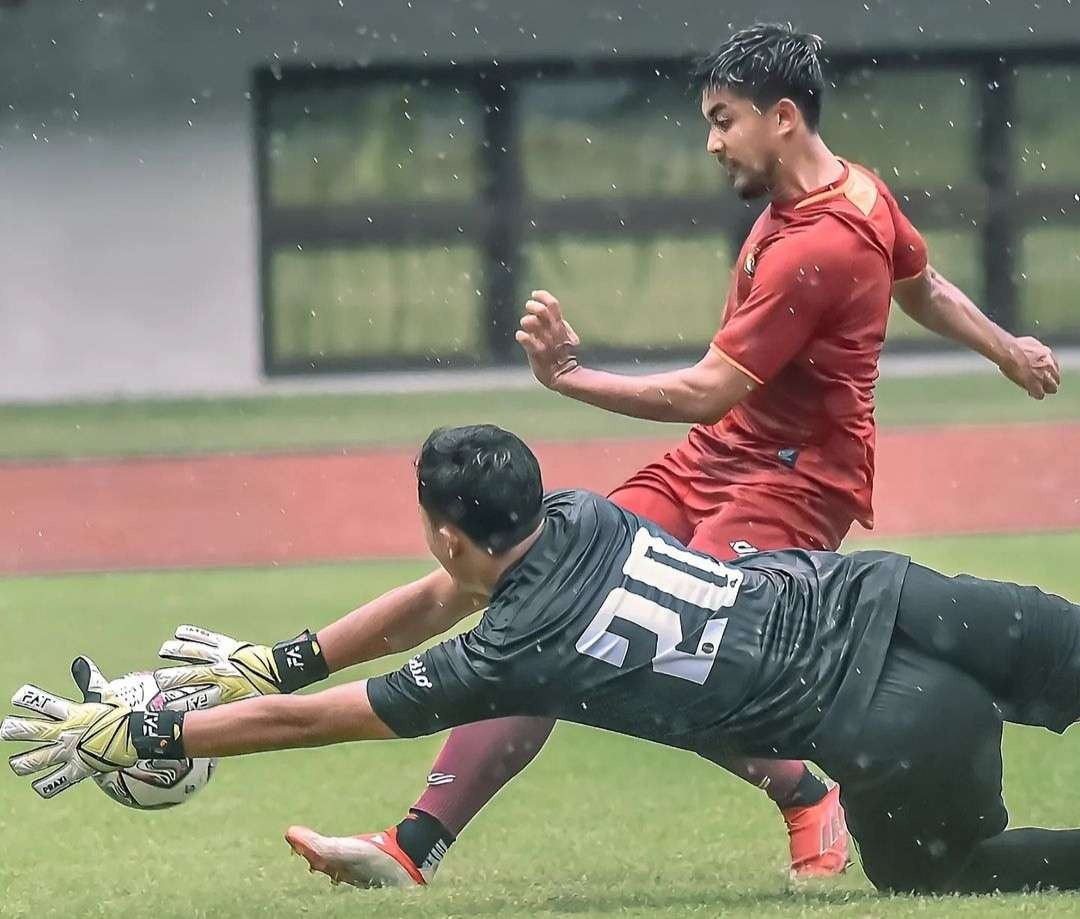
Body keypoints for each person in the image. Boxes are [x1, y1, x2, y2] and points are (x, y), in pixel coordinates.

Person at [316, 22, 1062, 885]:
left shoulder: (821, 245)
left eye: (724, 120)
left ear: (783, 117)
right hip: (712, 461)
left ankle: (803, 794)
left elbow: (708, 388)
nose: (710, 143)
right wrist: (1006, 346)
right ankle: (412, 843)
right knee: (546, 591)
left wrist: (568, 377)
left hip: (793, 484)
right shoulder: (853, 195)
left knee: (665, 647)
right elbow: (921, 285)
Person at [5, 424, 1080, 896]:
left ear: (449, 528)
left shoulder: (517, 650)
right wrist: (274, 662)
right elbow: (437, 596)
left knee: (936, 877)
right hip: (900, 595)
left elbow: (321, 720)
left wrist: (154, 728)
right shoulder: (579, 512)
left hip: (880, 723)